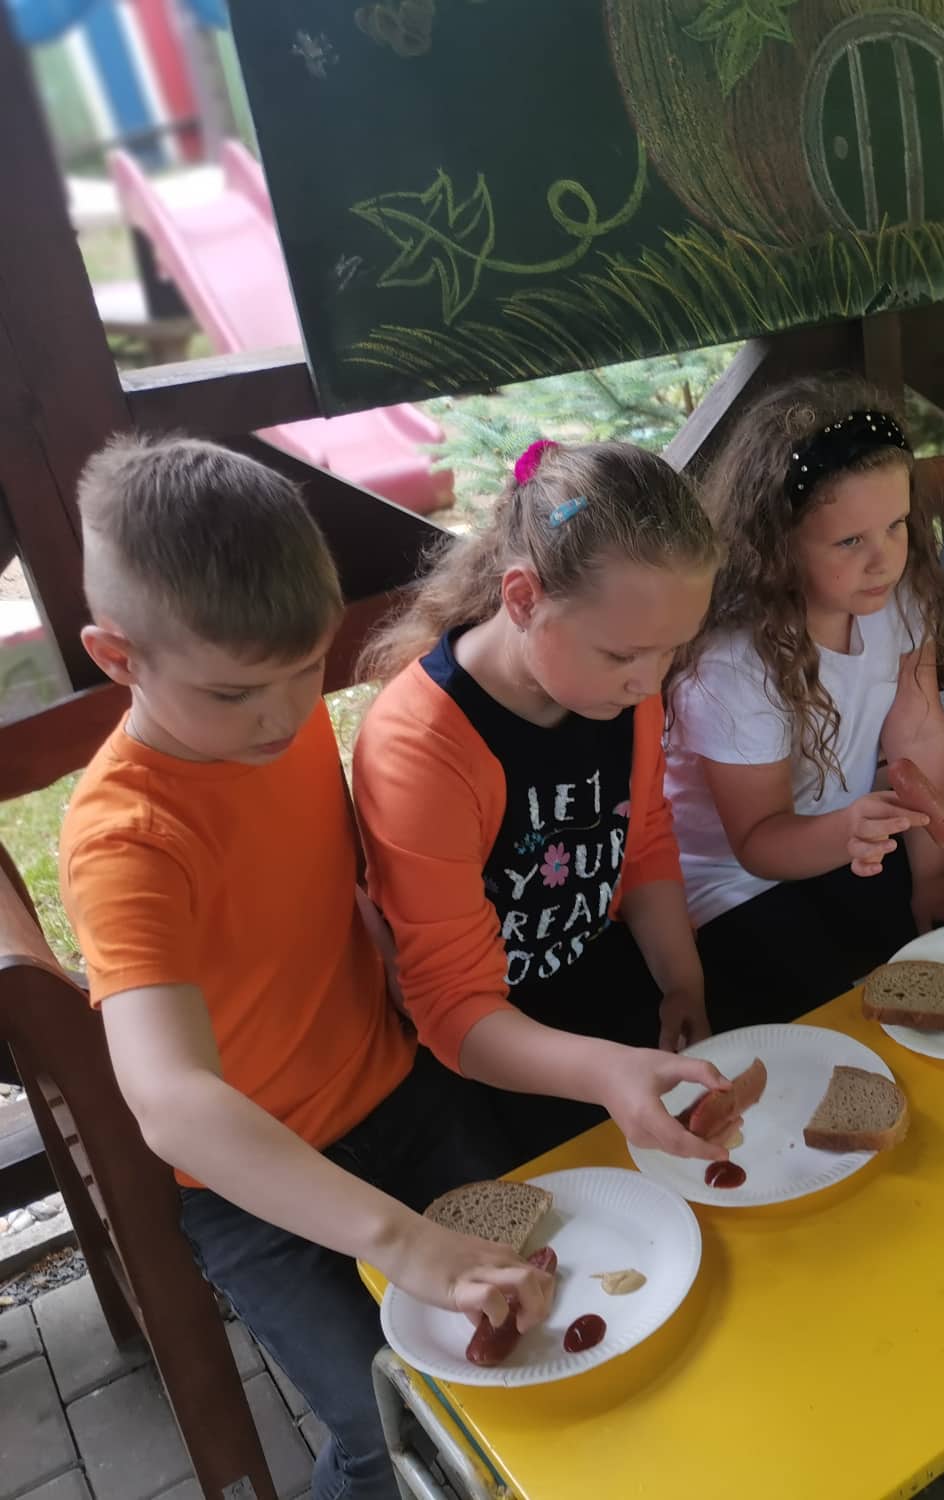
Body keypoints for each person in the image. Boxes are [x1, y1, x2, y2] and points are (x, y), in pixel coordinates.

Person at [59, 434, 552, 1500]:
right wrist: (398, 1241)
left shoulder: (269, 727)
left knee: (535, 1326)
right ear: (116, 657)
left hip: (402, 1096)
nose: (284, 715)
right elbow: (173, 1102)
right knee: (390, 1426)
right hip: (252, 1192)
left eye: (306, 670)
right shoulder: (126, 839)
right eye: (237, 691)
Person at [353, 439, 728, 1165]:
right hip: (487, 1050)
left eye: (672, 651)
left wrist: (682, 982)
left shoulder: (621, 687)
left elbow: (642, 839)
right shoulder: (421, 746)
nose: (650, 683)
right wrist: (609, 1073)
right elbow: (451, 1007)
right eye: (623, 655)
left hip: (600, 982)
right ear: (523, 599)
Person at [664, 376, 944, 1025]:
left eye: (896, 526)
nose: (884, 560)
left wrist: (932, 874)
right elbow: (757, 841)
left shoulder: (899, 599)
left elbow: (920, 734)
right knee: (829, 1014)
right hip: (730, 877)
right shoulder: (735, 664)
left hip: (847, 835)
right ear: (777, 543)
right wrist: (848, 834)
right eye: (850, 541)